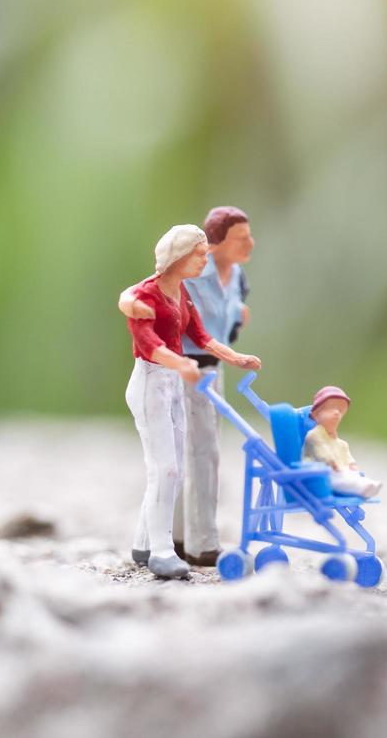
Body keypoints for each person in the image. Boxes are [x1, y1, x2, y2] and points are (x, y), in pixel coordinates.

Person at [124, 224, 262, 580]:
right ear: (180, 256)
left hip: (173, 382)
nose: (204, 260)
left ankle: (142, 541)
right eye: (199, 254)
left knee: (176, 467)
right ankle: (161, 551)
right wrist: (180, 363)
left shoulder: (182, 294)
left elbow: (201, 335)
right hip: (151, 380)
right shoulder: (148, 295)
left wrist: (235, 357)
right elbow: (147, 342)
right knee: (165, 469)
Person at [302, 386, 382, 498]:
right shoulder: (314, 435)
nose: (336, 413)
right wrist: (331, 462)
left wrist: (351, 464)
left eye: (340, 410)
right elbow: (320, 453)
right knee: (342, 478)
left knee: (351, 475)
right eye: (330, 409)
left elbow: (347, 456)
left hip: (338, 471)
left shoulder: (340, 444)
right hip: (320, 473)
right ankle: (362, 488)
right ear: (316, 415)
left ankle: (366, 485)